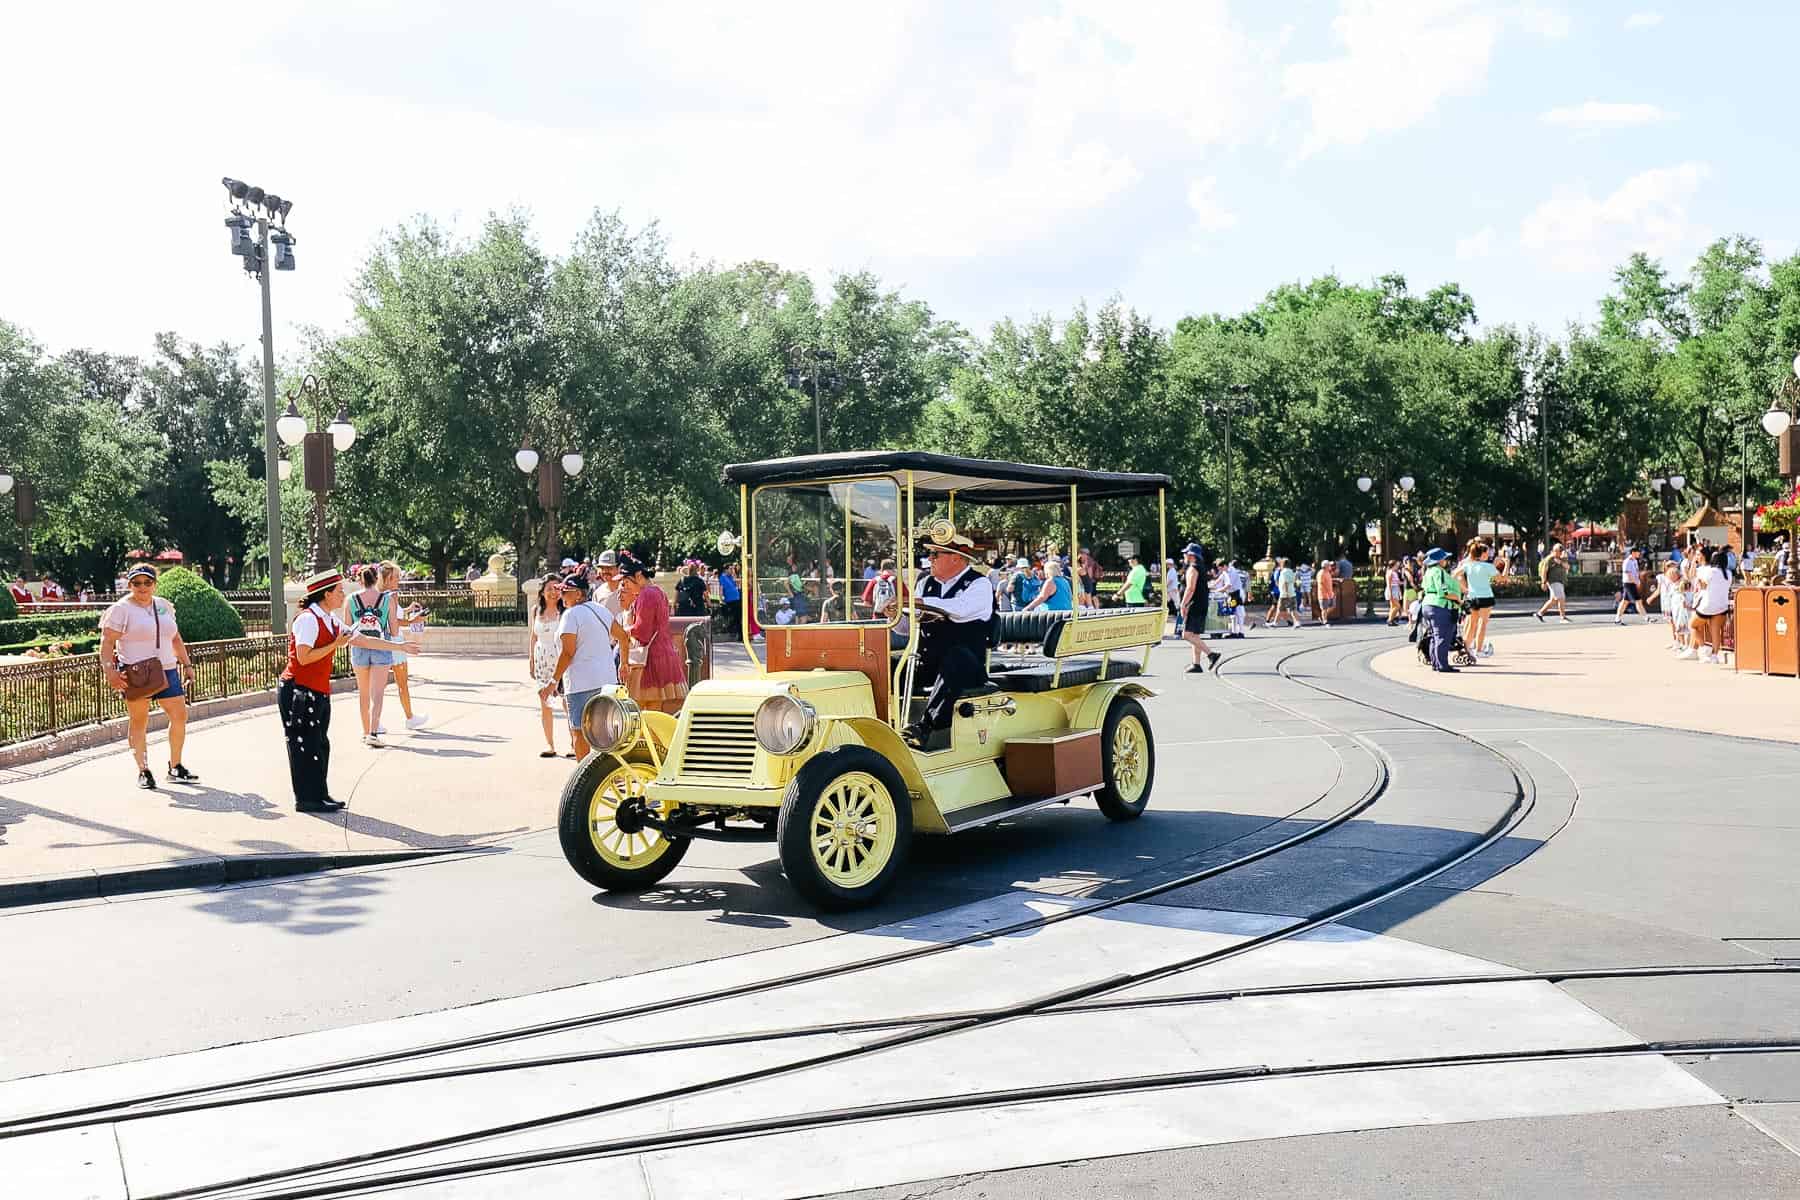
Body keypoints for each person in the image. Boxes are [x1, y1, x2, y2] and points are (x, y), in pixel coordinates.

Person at [278, 568, 419, 813]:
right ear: (326, 594)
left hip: (317, 689)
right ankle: (306, 799)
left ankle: (319, 794)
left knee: (320, 744)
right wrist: (335, 644)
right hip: (299, 690)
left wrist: (399, 645)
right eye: (340, 591)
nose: (344, 595)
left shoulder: (329, 619)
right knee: (304, 746)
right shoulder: (308, 619)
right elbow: (303, 657)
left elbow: (363, 639)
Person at [99, 564, 199, 790]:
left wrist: (187, 664)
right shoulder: (121, 609)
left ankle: (175, 766)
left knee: (179, 716)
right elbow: (106, 643)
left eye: (147, 582)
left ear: (155, 583)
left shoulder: (163, 606)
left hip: (167, 669)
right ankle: (143, 770)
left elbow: (175, 637)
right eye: (136, 583)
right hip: (136, 672)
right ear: (129, 584)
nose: (142, 587)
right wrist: (110, 671)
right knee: (139, 720)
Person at [902, 528, 995, 748]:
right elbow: (907, 627)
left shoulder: (979, 584)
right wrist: (895, 613)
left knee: (957, 657)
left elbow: (960, 610)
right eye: (930, 554)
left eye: (935, 555)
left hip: (966, 668)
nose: (929, 559)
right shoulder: (925, 583)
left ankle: (924, 728)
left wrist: (918, 602)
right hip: (928, 664)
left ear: (956, 559)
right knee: (891, 665)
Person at [544, 572, 626, 759]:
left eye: (565, 592)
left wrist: (552, 681)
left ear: (579, 594)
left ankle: (584, 779)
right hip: (607, 680)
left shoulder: (570, 615)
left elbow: (568, 652)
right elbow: (623, 637)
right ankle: (612, 775)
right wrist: (624, 664)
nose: (561, 596)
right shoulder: (601, 610)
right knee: (607, 732)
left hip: (581, 683)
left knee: (579, 733)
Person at [617, 554, 689, 713]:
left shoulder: (646, 594)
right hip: (661, 655)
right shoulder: (658, 591)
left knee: (638, 711)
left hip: (649, 661)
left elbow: (642, 633)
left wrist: (623, 631)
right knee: (653, 711)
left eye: (626, 582)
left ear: (638, 576)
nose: (624, 586)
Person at [348, 566, 400, 747]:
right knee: (377, 693)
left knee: (363, 693)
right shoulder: (387, 600)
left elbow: (348, 630)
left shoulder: (351, 599)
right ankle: (373, 732)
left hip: (359, 648)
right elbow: (394, 631)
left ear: (359, 579)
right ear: (376, 578)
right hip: (381, 647)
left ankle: (364, 732)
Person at [377, 562, 430, 732]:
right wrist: (412, 620)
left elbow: (392, 616)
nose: (399, 580)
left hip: (385, 641)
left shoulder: (381, 595)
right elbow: (394, 621)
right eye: (396, 577)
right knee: (401, 683)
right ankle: (409, 717)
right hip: (395, 641)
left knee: (381, 684)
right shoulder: (391, 596)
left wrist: (407, 610)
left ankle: (377, 721)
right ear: (388, 579)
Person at [529, 574, 567, 757]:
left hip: (560, 659)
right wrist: (531, 660)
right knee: (545, 702)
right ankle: (549, 744)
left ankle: (574, 744)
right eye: (549, 589)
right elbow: (533, 636)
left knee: (567, 702)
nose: (553, 592)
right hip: (541, 658)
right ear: (542, 591)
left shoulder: (565, 611)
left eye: (556, 588)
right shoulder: (536, 610)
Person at [1175, 544, 1222, 674]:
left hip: (1194, 604)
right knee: (1195, 634)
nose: (1184, 556)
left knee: (1187, 634)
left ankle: (1211, 654)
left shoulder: (1192, 569)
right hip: (1201, 603)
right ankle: (1196, 664)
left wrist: (1183, 604)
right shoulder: (1200, 568)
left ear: (1191, 556)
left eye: (1185, 554)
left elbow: (1190, 588)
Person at [1420, 548, 1465, 672]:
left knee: (1434, 636)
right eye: (1444, 558)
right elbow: (1443, 591)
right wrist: (1458, 599)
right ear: (1439, 560)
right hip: (1440, 606)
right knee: (1442, 636)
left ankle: (1436, 663)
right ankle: (1443, 665)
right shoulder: (1439, 572)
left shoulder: (1428, 572)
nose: (1446, 560)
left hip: (1428, 605)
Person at [1686, 549, 1733, 664]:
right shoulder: (1728, 573)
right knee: (1715, 631)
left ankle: (1703, 646)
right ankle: (1714, 656)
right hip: (1722, 605)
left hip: (1708, 605)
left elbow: (1702, 585)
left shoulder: (1710, 571)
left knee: (1692, 625)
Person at [1455, 541, 1499, 658]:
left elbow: (1454, 575)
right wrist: (1507, 563)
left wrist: (1464, 589)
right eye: (1487, 553)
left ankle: (1465, 649)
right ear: (1483, 554)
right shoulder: (1488, 566)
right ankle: (1478, 650)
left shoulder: (1467, 564)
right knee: (1482, 624)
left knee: (1471, 625)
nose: (1489, 555)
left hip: (1472, 597)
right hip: (1486, 597)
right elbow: (1502, 578)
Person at [1534, 542, 1571, 623]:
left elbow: (1568, 567)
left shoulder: (1562, 558)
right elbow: (1544, 571)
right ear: (1554, 550)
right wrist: (1543, 582)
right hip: (1553, 581)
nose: (1561, 552)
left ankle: (1540, 613)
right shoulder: (1549, 559)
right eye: (1559, 550)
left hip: (1560, 581)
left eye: (1561, 550)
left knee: (1553, 600)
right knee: (1561, 598)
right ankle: (1563, 617)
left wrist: (1561, 562)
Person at [1614, 547, 1650, 624]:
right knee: (1638, 601)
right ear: (1633, 553)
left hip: (1632, 583)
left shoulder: (1635, 561)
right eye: (1638, 552)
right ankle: (1646, 618)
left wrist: (1637, 581)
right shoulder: (1627, 562)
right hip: (1629, 583)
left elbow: (1636, 572)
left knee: (1625, 602)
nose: (1639, 554)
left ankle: (1617, 618)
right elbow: (1628, 574)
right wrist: (1636, 582)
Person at [718, 561, 743, 639]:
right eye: (730, 569)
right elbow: (721, 589)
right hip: (731, 600)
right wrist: (721, 598)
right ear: (725, 570)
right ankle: (736, 633)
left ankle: (739, 634)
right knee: (736, 617)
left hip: (737, 599)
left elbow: (736, 583)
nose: (732, 570)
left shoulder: (731, 577)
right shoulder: (722, 577)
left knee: (739, 617)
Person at [1316, 558, 1338, 628]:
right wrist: (1328, 593)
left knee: (1333, 606)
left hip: (1330, 593)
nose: (1330, 566)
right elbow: (1321, 583)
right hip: (1323, 594)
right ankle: (1325, 621)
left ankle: (1322, 617)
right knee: (1324, 609)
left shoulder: (1327, 572)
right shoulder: (1321, 573)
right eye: (1329, 565)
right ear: (1325, 566)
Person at [1164, 558, 1183, 635]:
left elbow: (1170, 581)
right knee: (1167, 602)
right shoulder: (1172, 571)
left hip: (1172, 589)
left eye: (1167, 564)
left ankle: (1178, 613)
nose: (1167, 565)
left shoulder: (1172, 571)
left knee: (1177, 604)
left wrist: (1164, 586)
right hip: (1171, 589)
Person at [1384, 559, 1404, 626]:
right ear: (1393, 565)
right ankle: (1389, 620)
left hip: (1395, 589)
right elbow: (1389, 584)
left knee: (1393, 607)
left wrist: (1403, 583)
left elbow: (1397, 582)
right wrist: (1390, 593)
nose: (1397, 566)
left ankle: (1391, 620)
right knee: (1397, 606)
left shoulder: (1394, 572)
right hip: (1392, 590)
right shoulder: (1390, 573)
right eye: (1396, 565)